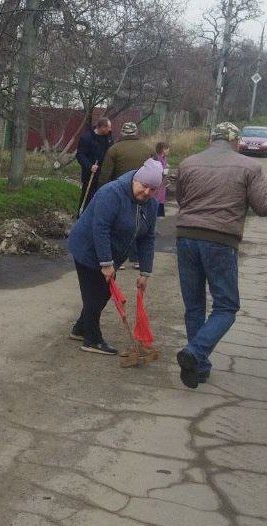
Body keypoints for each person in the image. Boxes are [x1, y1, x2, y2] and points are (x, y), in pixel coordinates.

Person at [174, 122, 267, 388]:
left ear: (211, 139)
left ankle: (198, 368)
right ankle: (195, 352)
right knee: (226, 306)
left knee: (194, 306)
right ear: (236, 141)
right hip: (220, 240)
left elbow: (182, 199)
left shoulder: (188, 163)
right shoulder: (250, 167)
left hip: (186, 237)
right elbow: (262, 207)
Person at [66, 158, 162, 355]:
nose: (146, 193)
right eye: (144, 186)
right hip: (88, 247)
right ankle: (92, 339)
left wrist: (145, 272)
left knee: (104, 292)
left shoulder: (150, 204)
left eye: (152, 190)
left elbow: (148, 237)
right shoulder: (112, 192)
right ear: (136, 179)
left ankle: (80, 328)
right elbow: (100, 228)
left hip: (111, 253)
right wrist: (106, 263)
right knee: (95, 294)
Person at [99, 122, 155, 270]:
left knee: (118, 227)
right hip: (144, 193)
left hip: (120, 193)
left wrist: (101, 193)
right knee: (140, 224)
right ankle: (137, 259)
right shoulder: (148, 149)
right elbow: (156, 171)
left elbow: (105, 174)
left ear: (122, 133)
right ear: (137, 133)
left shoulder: (114, 149)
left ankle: (119, 260)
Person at [75, 118, 114, 215]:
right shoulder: (87, 138)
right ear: (102, 127)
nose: (110, 130)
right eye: (108, 127)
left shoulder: (109, 138)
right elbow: (80, 155)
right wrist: (89, 166)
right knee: (87, 196)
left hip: (104, 174)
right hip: (90, 174)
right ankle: (82, 216)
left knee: (102, 197)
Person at [153, 142, 170, 218]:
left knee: (161, 197)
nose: (168, 150)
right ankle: (155, 214)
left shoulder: (164, 158)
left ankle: (160, 214)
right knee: (157, 197)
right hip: (158, 182)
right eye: (166, 149)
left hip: (163, 183)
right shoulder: (157, 159)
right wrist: (164, 170)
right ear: (162, 150)